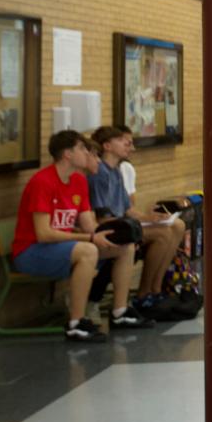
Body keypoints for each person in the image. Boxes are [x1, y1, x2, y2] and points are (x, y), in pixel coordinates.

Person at [10, 130, 148, 342]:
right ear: (67, 154)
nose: (88, 152)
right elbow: (44, 234)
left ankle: (119, 312)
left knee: (124, 247)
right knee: (88, 250)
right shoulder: (42, 182)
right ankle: (76, 323)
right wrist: (91, 239)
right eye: (82, 148)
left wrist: (114, 235)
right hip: (31, 251)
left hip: (61, 247)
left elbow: (89, 226)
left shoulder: (78, 181)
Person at [89, 126, 194, 322]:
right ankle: (145, 293)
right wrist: (140, 221)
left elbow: (128, 209)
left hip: (123, 223)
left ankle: (156, 288)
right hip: (111, 227)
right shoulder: (100, 173)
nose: (130, 147)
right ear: (108, 146)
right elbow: (103, 217)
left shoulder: (117, 171)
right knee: (162, 235)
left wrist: (149, 218)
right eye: (124, 142)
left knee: (177, 226)